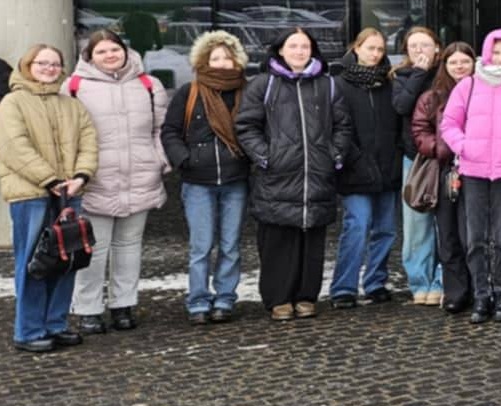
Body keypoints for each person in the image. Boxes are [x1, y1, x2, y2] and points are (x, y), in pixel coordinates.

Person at [238, 28, 354, 322]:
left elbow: (343, 126)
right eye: (293, 46)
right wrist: (266, 157)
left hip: (316, 176)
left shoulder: (327, 84)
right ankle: (278, 299)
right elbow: (246, 126)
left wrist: (334, 155)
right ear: (280, 50)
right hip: (277, 177)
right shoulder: (263, 84)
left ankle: (306, 296)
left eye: (305, 46)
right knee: (277, 241)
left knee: (311, 242)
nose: (299, 51)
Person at [65, 30, 170, 334]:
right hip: (94, 180)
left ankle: (123, 304)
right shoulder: (74, 86)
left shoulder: (149, 84)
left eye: (115, 49)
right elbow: (66, 135)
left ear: (125, 51)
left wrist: (159, 160)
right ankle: (88, 308)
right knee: (93, 249)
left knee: (128, 246)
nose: (110, 55)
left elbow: (161, 129)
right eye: (101, 51)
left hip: (140, 176)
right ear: (89, 56)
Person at [0, 43, 98, 352]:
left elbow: (88, 141)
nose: (49, 69)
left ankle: (56, 323)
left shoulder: (72, 105)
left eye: (54, 64)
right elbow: (13, 147)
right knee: (34, 262)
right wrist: (49, 179)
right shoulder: (13, 103)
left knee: (66, 261)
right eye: (42, 63)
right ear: (28, 66)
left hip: (69, 193)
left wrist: (81, 176)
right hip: (32, 194)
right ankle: (29, 331)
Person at [158, 30, 250, 325]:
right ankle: (198, 300)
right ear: (203, 61)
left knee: (230, 245)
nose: (222, 63)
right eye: (215, 58)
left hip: (235, 179)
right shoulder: (190, 92)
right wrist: (184, 159)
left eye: (227, 57)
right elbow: (170, 131)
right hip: (198, 181)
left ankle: (225, 298)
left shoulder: (245, 92)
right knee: (201, 246)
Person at [440, 29, 501, 324]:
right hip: (474, 170)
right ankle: (481, 293)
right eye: (496, 52)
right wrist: (465, 147)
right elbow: (449, 123)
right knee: (475, 238)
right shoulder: (468, 85)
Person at [332, 28, 403, 308]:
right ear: (356, 48)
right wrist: (353, 158)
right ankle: (343, 287)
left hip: (387, 167)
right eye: (370, 48)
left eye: (380, 49)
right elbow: (337, 127)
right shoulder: (339, 84)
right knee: (357, 226)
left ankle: (375, 282)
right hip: (355, 168)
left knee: (386, 230)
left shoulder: (389, 83)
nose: (375, 54)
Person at [410, 41, 476, 314]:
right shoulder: (431, 97)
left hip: (477, 170)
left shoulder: (483, 92)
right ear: (445, 65)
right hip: (444, 170)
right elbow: (419, 129)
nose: (459, 67)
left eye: (465, 61)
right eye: (453, 62)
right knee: (448, 234)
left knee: (473, 234)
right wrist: (439, 148)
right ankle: (455, 291)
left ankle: (480, 288)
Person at [391, 26, 440, 305]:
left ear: (437, 47)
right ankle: (420, 281)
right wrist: (419, 73)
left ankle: (443, 280)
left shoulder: (447, 72)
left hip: (446, 155)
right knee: (416, 223)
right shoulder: (401, 76)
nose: (420, 50)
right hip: (415, 157)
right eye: (413, 46)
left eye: (425, 45)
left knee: (447, 224)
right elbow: (401, 106)